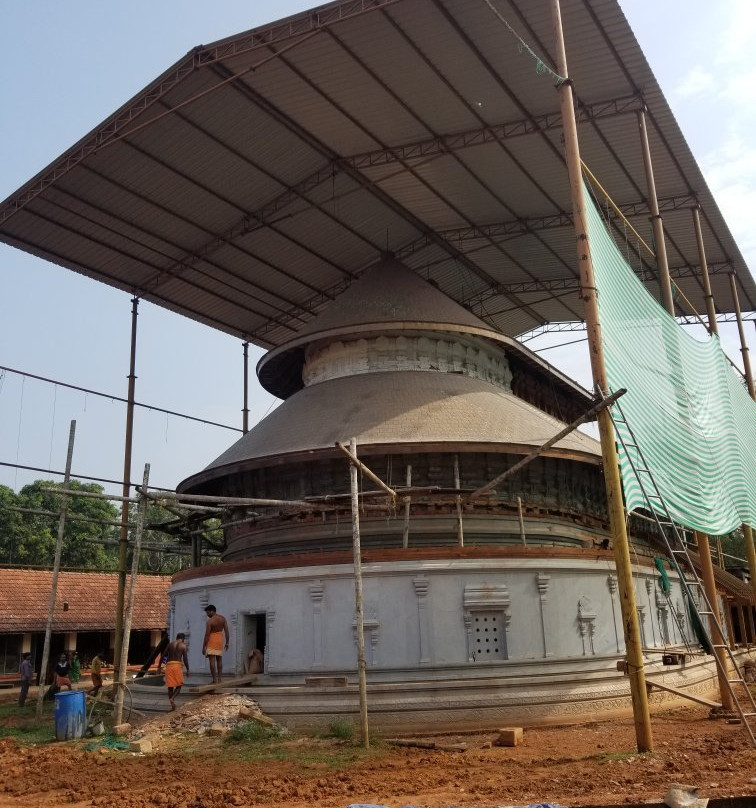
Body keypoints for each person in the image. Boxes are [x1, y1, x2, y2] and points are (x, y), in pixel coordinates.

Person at [202, 605, 229, 684]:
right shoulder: (223, 619)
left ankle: (214, 679)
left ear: (211, 611)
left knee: (212, 660)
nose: (207, 615)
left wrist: (204, 646)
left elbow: (207, 635)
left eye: (207, 612)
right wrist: (227, 642)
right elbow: (227, 632)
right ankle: (219, 679)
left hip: (212, 639)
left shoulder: (210, 621)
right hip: (220, 639)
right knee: (219, 659)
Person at [164, 633, 189, 711]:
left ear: (176, 637)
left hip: (169, 666)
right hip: (177, 666)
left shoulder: (170, 644)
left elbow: (163, 655)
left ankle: (172, 706)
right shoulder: (183, 646)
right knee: (179, 685)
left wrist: (159, 667)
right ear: (183, 639)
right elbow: (185, 659)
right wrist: (188, 669)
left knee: (170, 687)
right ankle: (172, 698)